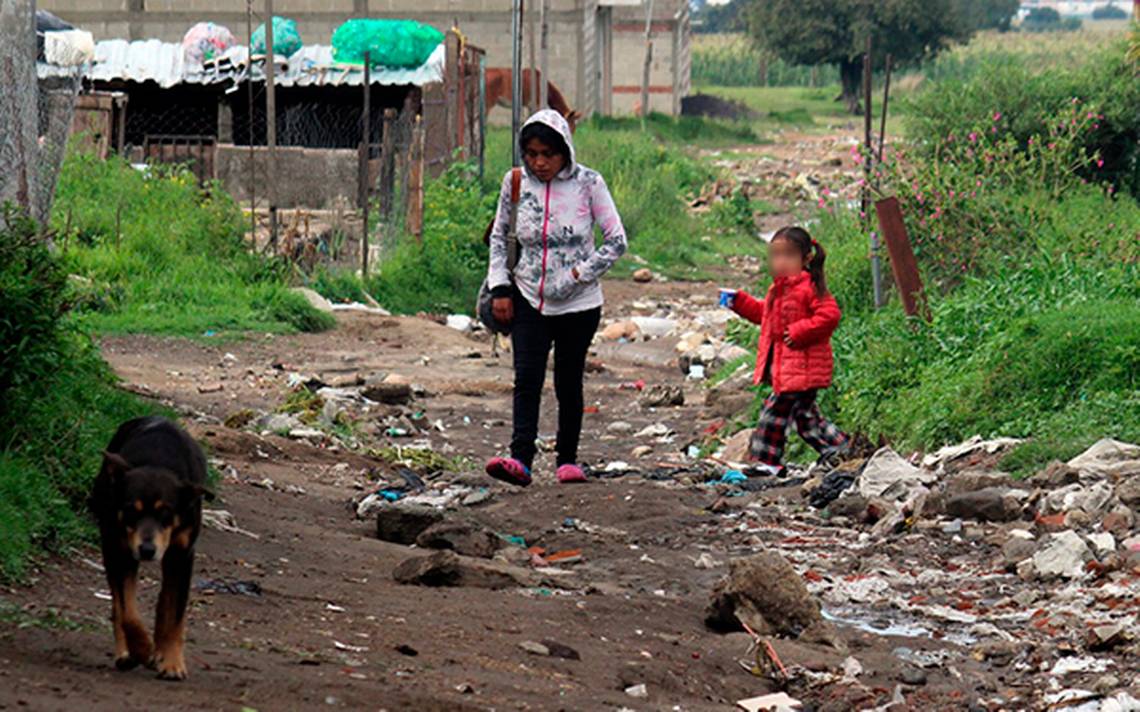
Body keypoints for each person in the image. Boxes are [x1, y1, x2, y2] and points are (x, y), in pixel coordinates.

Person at [484, 109, 627, 486]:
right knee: (526, 379)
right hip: (528, 296)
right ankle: (520, 459)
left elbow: (616, 241)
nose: (540, 163)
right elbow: (499, 237)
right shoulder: (515, 183)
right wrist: (500, 287)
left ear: (565, 152)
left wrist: (577, 275)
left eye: (548, 154)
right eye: (532, 154)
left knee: (568, 380)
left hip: (579, 304)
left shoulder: (589, 184)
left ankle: (567, 459)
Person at [722, 226, 848, 475]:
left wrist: (800, 331)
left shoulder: (810, 288)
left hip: (802, 370)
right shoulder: (777, 291)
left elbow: (830, 315)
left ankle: (766, 462)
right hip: (789, 372)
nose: (781, 262)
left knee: (773, 416)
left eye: (789, 255)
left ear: (806, 259)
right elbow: (765, 316)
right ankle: (842, 450)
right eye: (776, 255)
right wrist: (740, 302)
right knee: (807, 420)